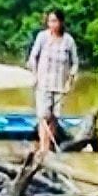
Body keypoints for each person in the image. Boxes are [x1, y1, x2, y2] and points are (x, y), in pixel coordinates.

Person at [26, 9, 78, 153]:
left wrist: (70, 82)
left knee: (54, 117)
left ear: (61, 22)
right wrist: (35, 75)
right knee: (43, 117)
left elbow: (74, 63)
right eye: (50, 21)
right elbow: (33, 58)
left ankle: (48, 147)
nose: (52, 24)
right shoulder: (42, 37)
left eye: (55, 21)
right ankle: (43, 148)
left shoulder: (68, 40)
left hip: (60, 86)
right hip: (43, 84)